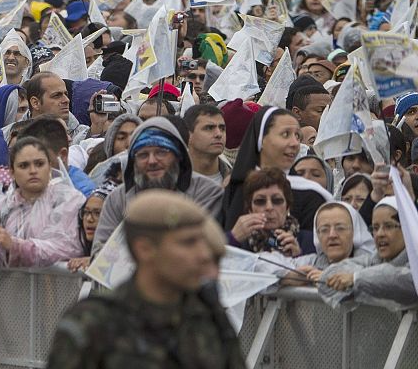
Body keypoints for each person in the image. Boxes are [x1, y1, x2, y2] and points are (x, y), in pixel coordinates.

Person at [27, 190, 268, 369]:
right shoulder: (95, 323)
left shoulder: (209, 319)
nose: (203, 255)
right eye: (188, 243)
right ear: (145, 249)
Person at [92, 117, 224, 254]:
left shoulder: (206, 193)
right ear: (133, 161)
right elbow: (100, 255)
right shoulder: (117, 199)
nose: (152, 161)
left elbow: (203, 250)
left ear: (178, 155)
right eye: (143, 155)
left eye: (161, 152)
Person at [0, 137, 85, 280]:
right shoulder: (3, 206)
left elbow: (67, 248)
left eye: (39, 164)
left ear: (49, 166)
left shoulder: (69, 199)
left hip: (61, 290)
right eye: (24, 166)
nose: (33, 171)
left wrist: (17, 247)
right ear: (12, 172)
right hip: (11, 291)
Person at [223, 107, 332, 232]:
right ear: (261, 139)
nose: (295, 143)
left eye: (297, 136)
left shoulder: (312, 195)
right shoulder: (235, 188)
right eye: (285, 134)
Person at [319, 197, 418, 309]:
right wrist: (364, 278)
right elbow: (328, 275)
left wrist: (356, 278)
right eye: (375, 228)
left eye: (389, 226)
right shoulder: (375, 259)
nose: (380, 234)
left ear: (407, 229)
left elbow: (410, 281)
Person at [228, 168, 316, 256]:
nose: (269, 207)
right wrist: (232, 239)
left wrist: (299, 257)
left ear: (287, 207)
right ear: (250, 209)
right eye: (260, 201)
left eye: (277, 200)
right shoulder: (239, 242)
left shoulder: (311, 241)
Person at [183, 104, 230, 186]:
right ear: (188, 134)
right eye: (209, 128)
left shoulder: (237, 181)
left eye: (222, 128)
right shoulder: (168, 179)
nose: (219, 134)